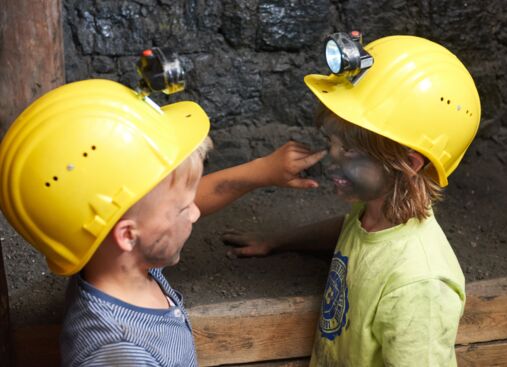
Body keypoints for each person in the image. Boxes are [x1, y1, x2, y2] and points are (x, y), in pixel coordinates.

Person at [0, 79, 325, 366]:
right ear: (127, 235)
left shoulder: (114, 260)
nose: (196, 212)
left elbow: (177, 201)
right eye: (184, 209)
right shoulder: (120, 353)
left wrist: (262, 171)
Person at [223, 35, 481, 366]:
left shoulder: (420, 287)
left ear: (409, 163)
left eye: (349, 149)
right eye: (331, 141)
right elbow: (349, 233)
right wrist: (276, 241)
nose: (330, 158)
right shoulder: (374, 215)